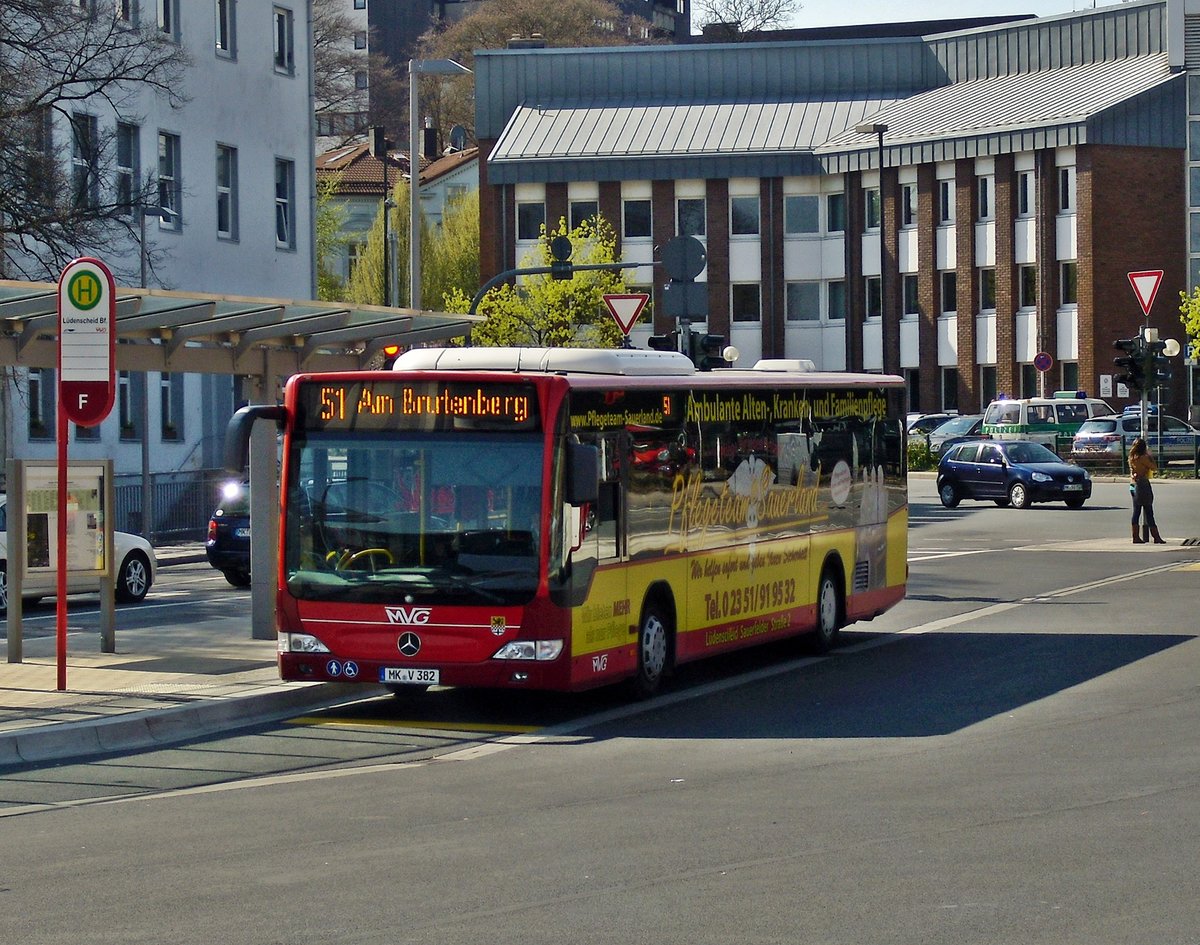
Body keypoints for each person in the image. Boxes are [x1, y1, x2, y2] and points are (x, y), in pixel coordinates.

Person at [1128, 437, 1164, 544]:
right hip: (1142, 485)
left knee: (1136, 511)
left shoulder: (1132, 457)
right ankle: (1156, 537)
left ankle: (1135, 536)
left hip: (1133, 485)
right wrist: (1150, 456)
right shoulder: (1143, 457)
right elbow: (1154, 467)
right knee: (1148, 511)